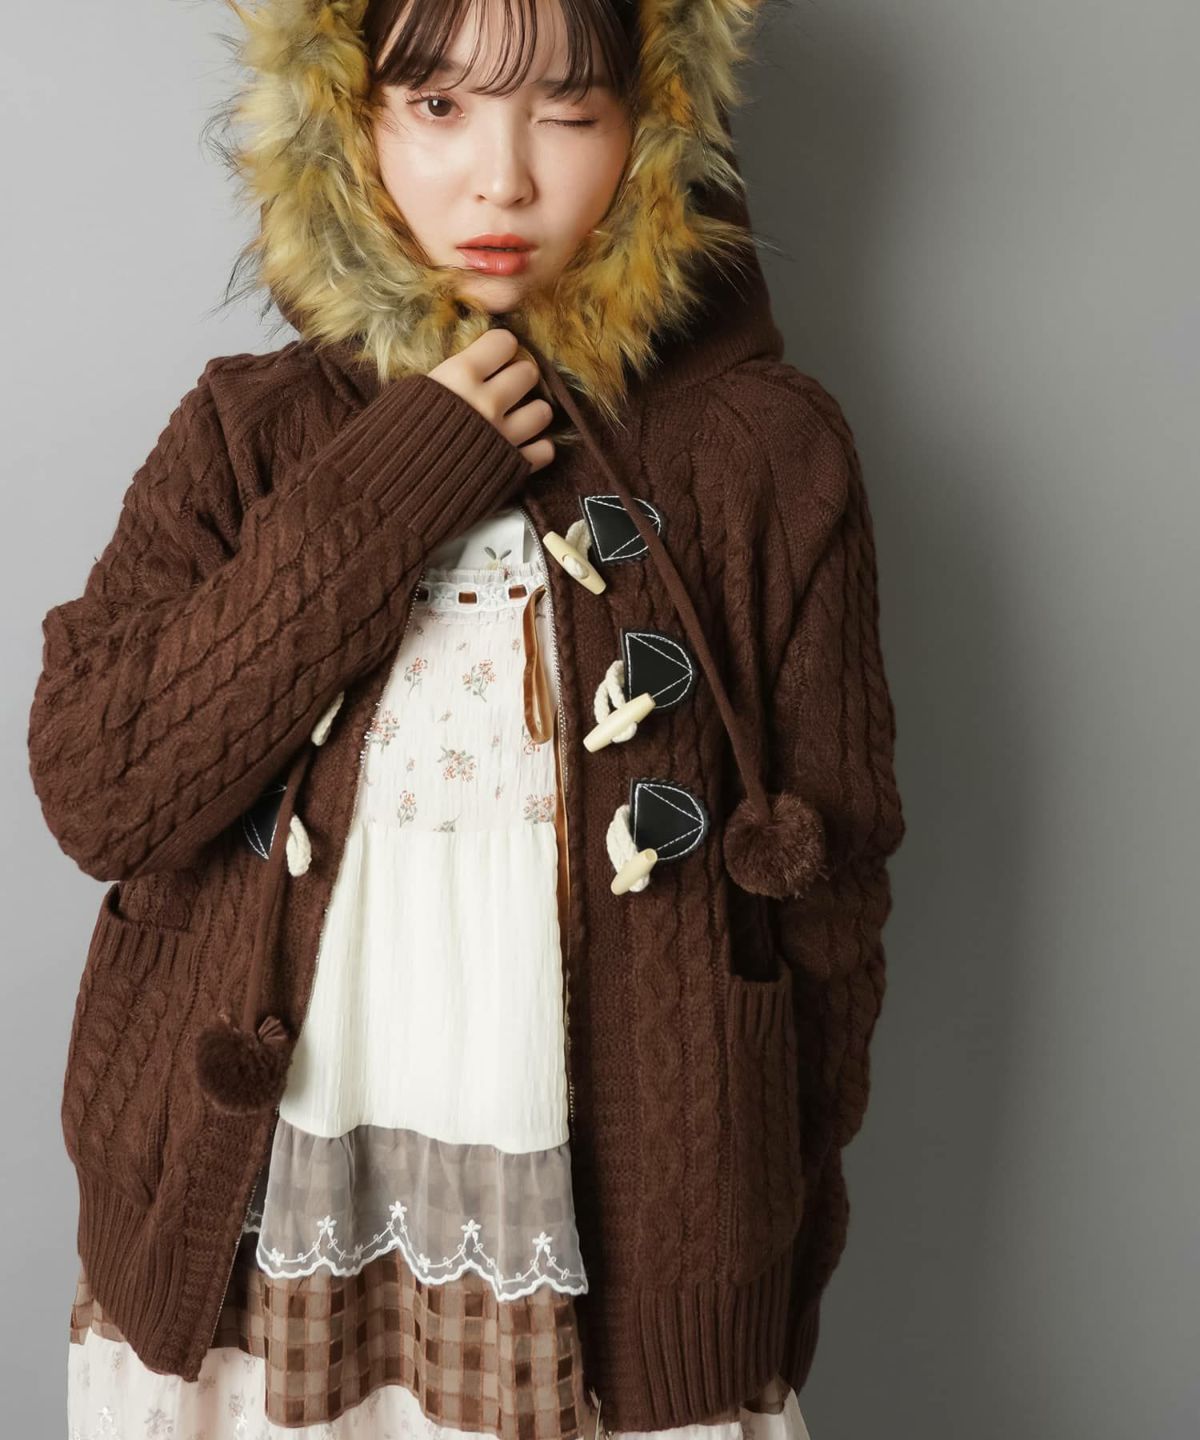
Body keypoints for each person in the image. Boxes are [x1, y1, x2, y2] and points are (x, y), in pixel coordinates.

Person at [30, 0, 906, 1436]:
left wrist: (767, 1253)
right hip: (261, 1229)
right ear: (346, 118)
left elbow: (834, 902)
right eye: (437, 105)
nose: (502, 178)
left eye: (568, 108)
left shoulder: (766, 457)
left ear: (657, 123)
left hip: (629, 1260)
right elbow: (100, 789)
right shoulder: (249, 434)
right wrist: (403, 472)